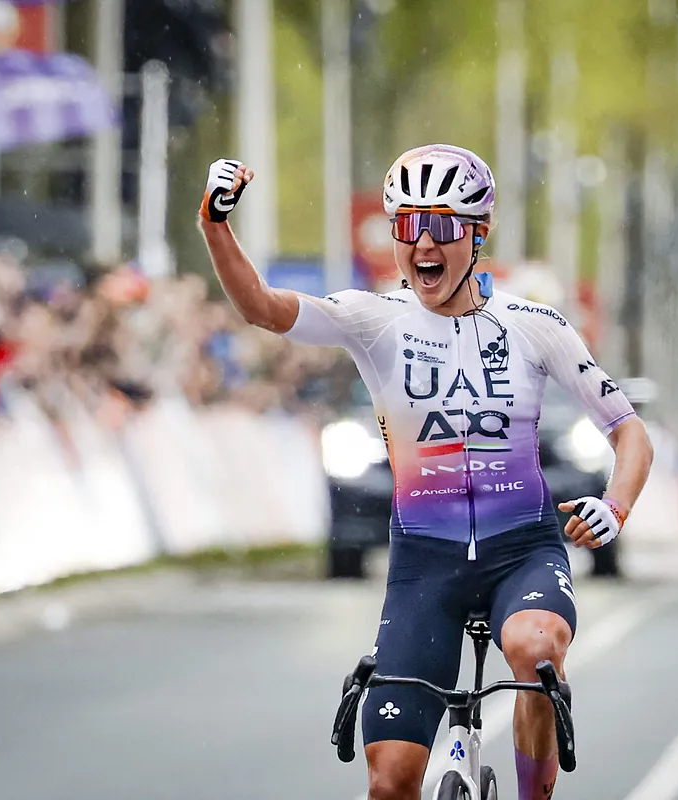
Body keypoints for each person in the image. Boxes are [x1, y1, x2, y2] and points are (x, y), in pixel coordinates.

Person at [198, 144, 653, 800]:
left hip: (520, 554)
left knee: (538, 644)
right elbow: (262, 308)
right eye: (407, 225)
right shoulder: (372, 320)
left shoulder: (533, 326)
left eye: (441, 225)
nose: (422, 243)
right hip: (423, 570)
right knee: (391, 782)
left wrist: (615, 506)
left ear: (477, 233)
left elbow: (628, 431)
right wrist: (216, 225)